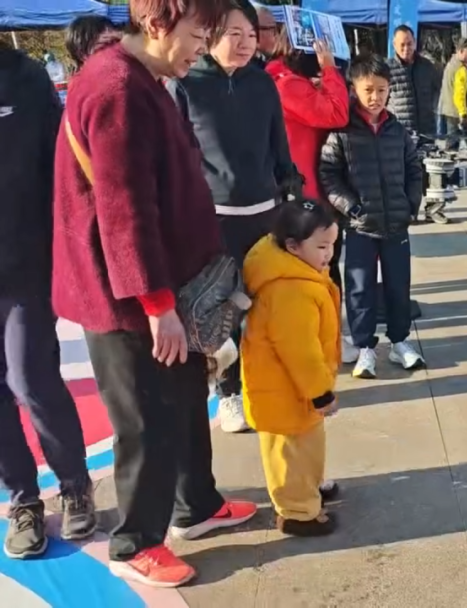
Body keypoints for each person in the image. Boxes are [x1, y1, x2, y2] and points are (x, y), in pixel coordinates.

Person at [52, 0, 257, 587]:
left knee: (188, 396)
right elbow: (125, 210)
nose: (202, 49)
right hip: (126, 298)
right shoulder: (117, 88)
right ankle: (135, 541)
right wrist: (156, 304)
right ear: (156, 22)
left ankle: (198, 504)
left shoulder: (145, 76)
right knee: (144, 416)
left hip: (172, 281)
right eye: (198, 35)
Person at [167, 2, 300, 434]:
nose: (245, 44)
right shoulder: (186, 83)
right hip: (215, 220)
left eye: (250, 35)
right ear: (210, 35)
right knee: (222, 310)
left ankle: (267, 383)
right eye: (234, 34)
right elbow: (174, 158)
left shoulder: (262, 83)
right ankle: (229, 392)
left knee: (265, 304)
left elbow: (278, 146)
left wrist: (290, 193)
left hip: (265, 215)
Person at [0, 40, 97, 560]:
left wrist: (65, 249)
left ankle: (75, 484)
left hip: (25, 268)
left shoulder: (27, 78)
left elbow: (60, 171)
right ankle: (23, 500)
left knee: (30, 379)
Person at [319, 54, 425, 379]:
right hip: (360, 226)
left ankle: (400, 341)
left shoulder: (398, 131)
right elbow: (328, 173)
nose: (375, 97)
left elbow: (414, 169)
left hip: (396, 225)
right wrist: (351, 208)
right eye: (368, 90)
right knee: (360, 289)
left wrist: (411, 204)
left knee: (398, 286)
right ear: (354, 89)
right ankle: (364, 347)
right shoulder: (342, 131)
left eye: (381, 90)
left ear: (390, 89)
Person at [241, 201, 341, 537]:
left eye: (333, 245)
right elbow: (300, 351)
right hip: (287, 389)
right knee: (289, 452)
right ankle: (297, 513)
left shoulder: (297, 270)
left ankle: (309, 488)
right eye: (322, 247)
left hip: (296, 388)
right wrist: (320, 392)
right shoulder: (289, 289)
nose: (329, 254)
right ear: (293, 246)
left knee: (306, 444)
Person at [266, 40, 350, 292]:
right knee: (320, 273)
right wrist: (330, 69)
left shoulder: (286, 79)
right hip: (308, 196)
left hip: (309, 190)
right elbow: (337, 113)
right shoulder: (288, 84)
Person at [387, 25, 441, 223]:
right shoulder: (387, 69)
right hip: (401, 132)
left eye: (409, 43)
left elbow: (437, 91)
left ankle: (433, 209)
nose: (406, 48)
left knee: (431, 172)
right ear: (394, 45)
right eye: (402, 44)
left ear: (415, 42)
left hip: (427, 129)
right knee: (405, 175)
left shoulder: (427, 66)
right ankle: (409, 212)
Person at [438, 38, 467, 161]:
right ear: (461, 51)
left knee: (452, 145)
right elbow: (459, 94)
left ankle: (449, 168)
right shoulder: (461, 69)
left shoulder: (451, 64)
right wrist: (463, 114)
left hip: (449, 111)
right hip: (459, 113)